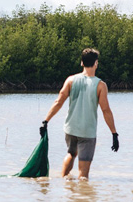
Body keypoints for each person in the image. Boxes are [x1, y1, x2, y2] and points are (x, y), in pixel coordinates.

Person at [41, 48, 118, 180]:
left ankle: (64, 182)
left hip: (70, 128)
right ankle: (81, 196)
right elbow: (106, 111)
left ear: (82, 63)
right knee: (83, 175)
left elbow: (59, 101)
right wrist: (114, 133)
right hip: (87, 132)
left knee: (71, 153)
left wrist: (46, 121)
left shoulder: (71, 80)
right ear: (96, 63)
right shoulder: (100, 85)